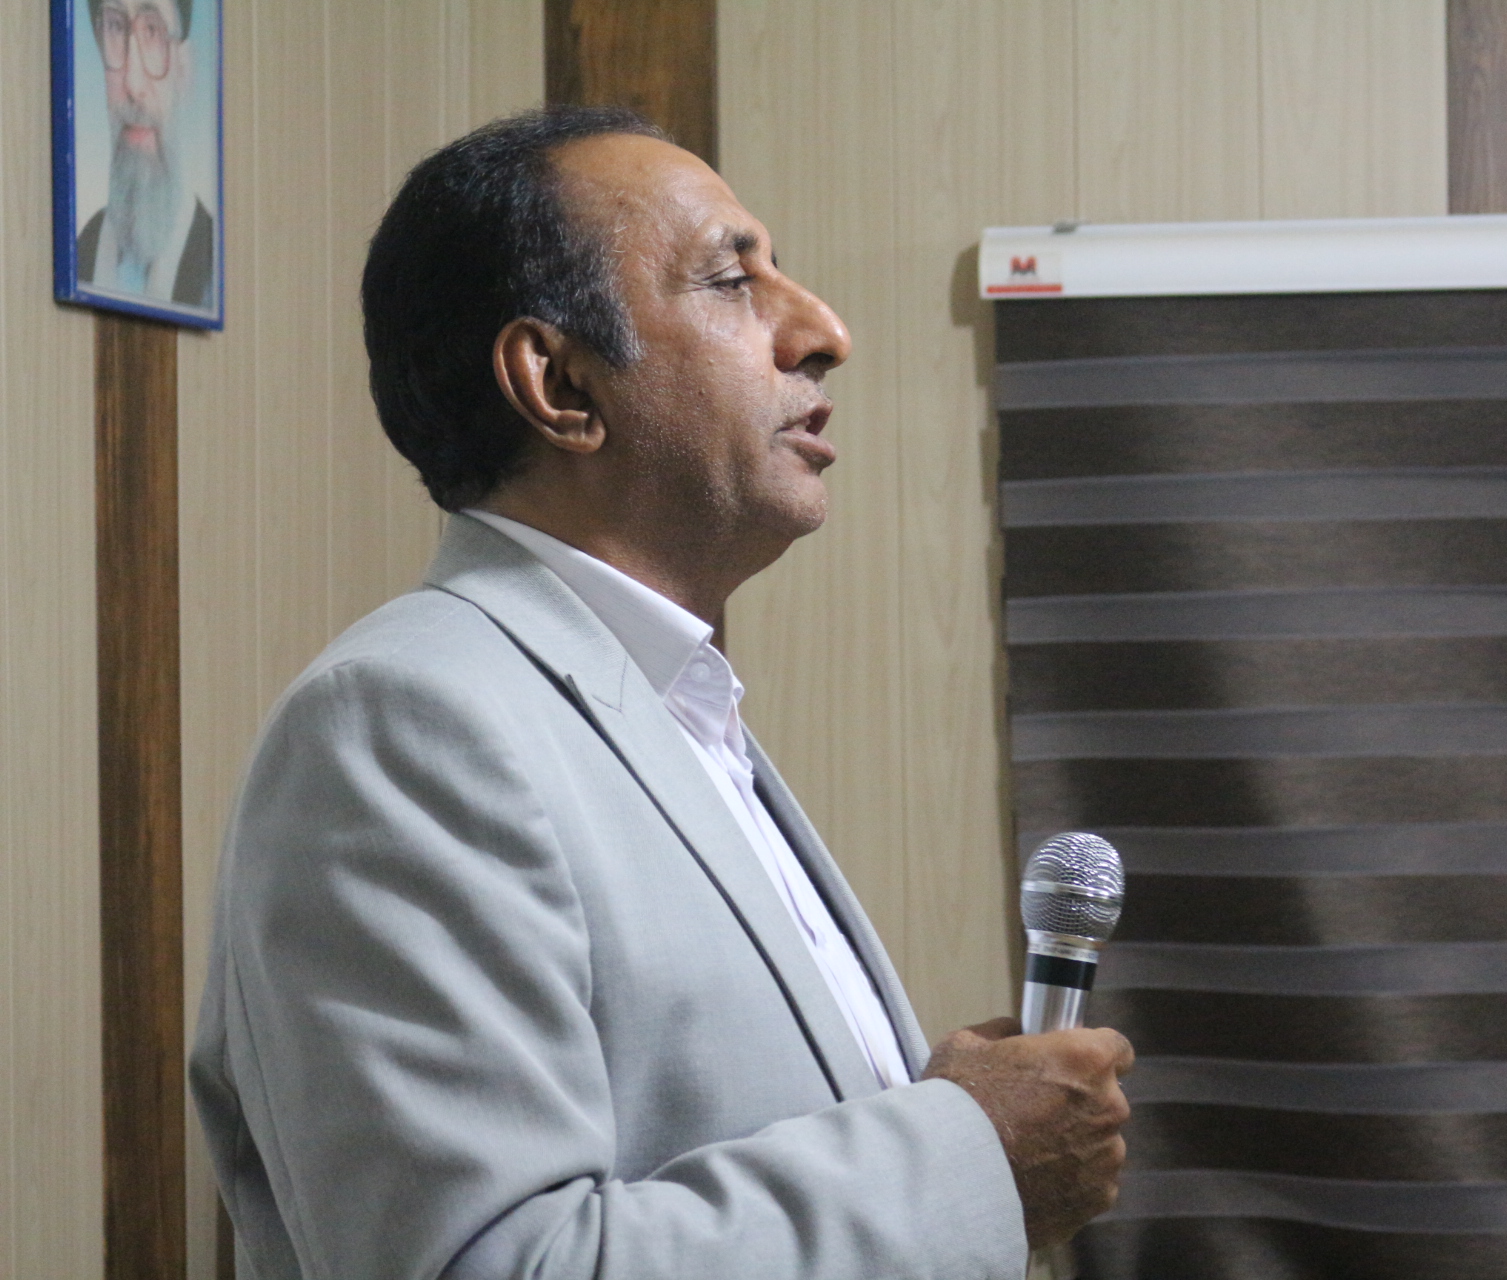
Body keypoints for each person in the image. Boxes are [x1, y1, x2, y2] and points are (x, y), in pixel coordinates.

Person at [190, 106, 1133, 1279]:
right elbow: (495, 1263)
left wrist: (944, 1123)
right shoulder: (395, 728)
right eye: (733, 279)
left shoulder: (668, 699)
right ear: (560, 382)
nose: (825, 331)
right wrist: (969, 1156)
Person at [76, 0, 214, 307]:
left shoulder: (215, 266)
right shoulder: (83, 251)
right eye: (115, 27)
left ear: (184, 69)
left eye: (153, 31)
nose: (132, 83)